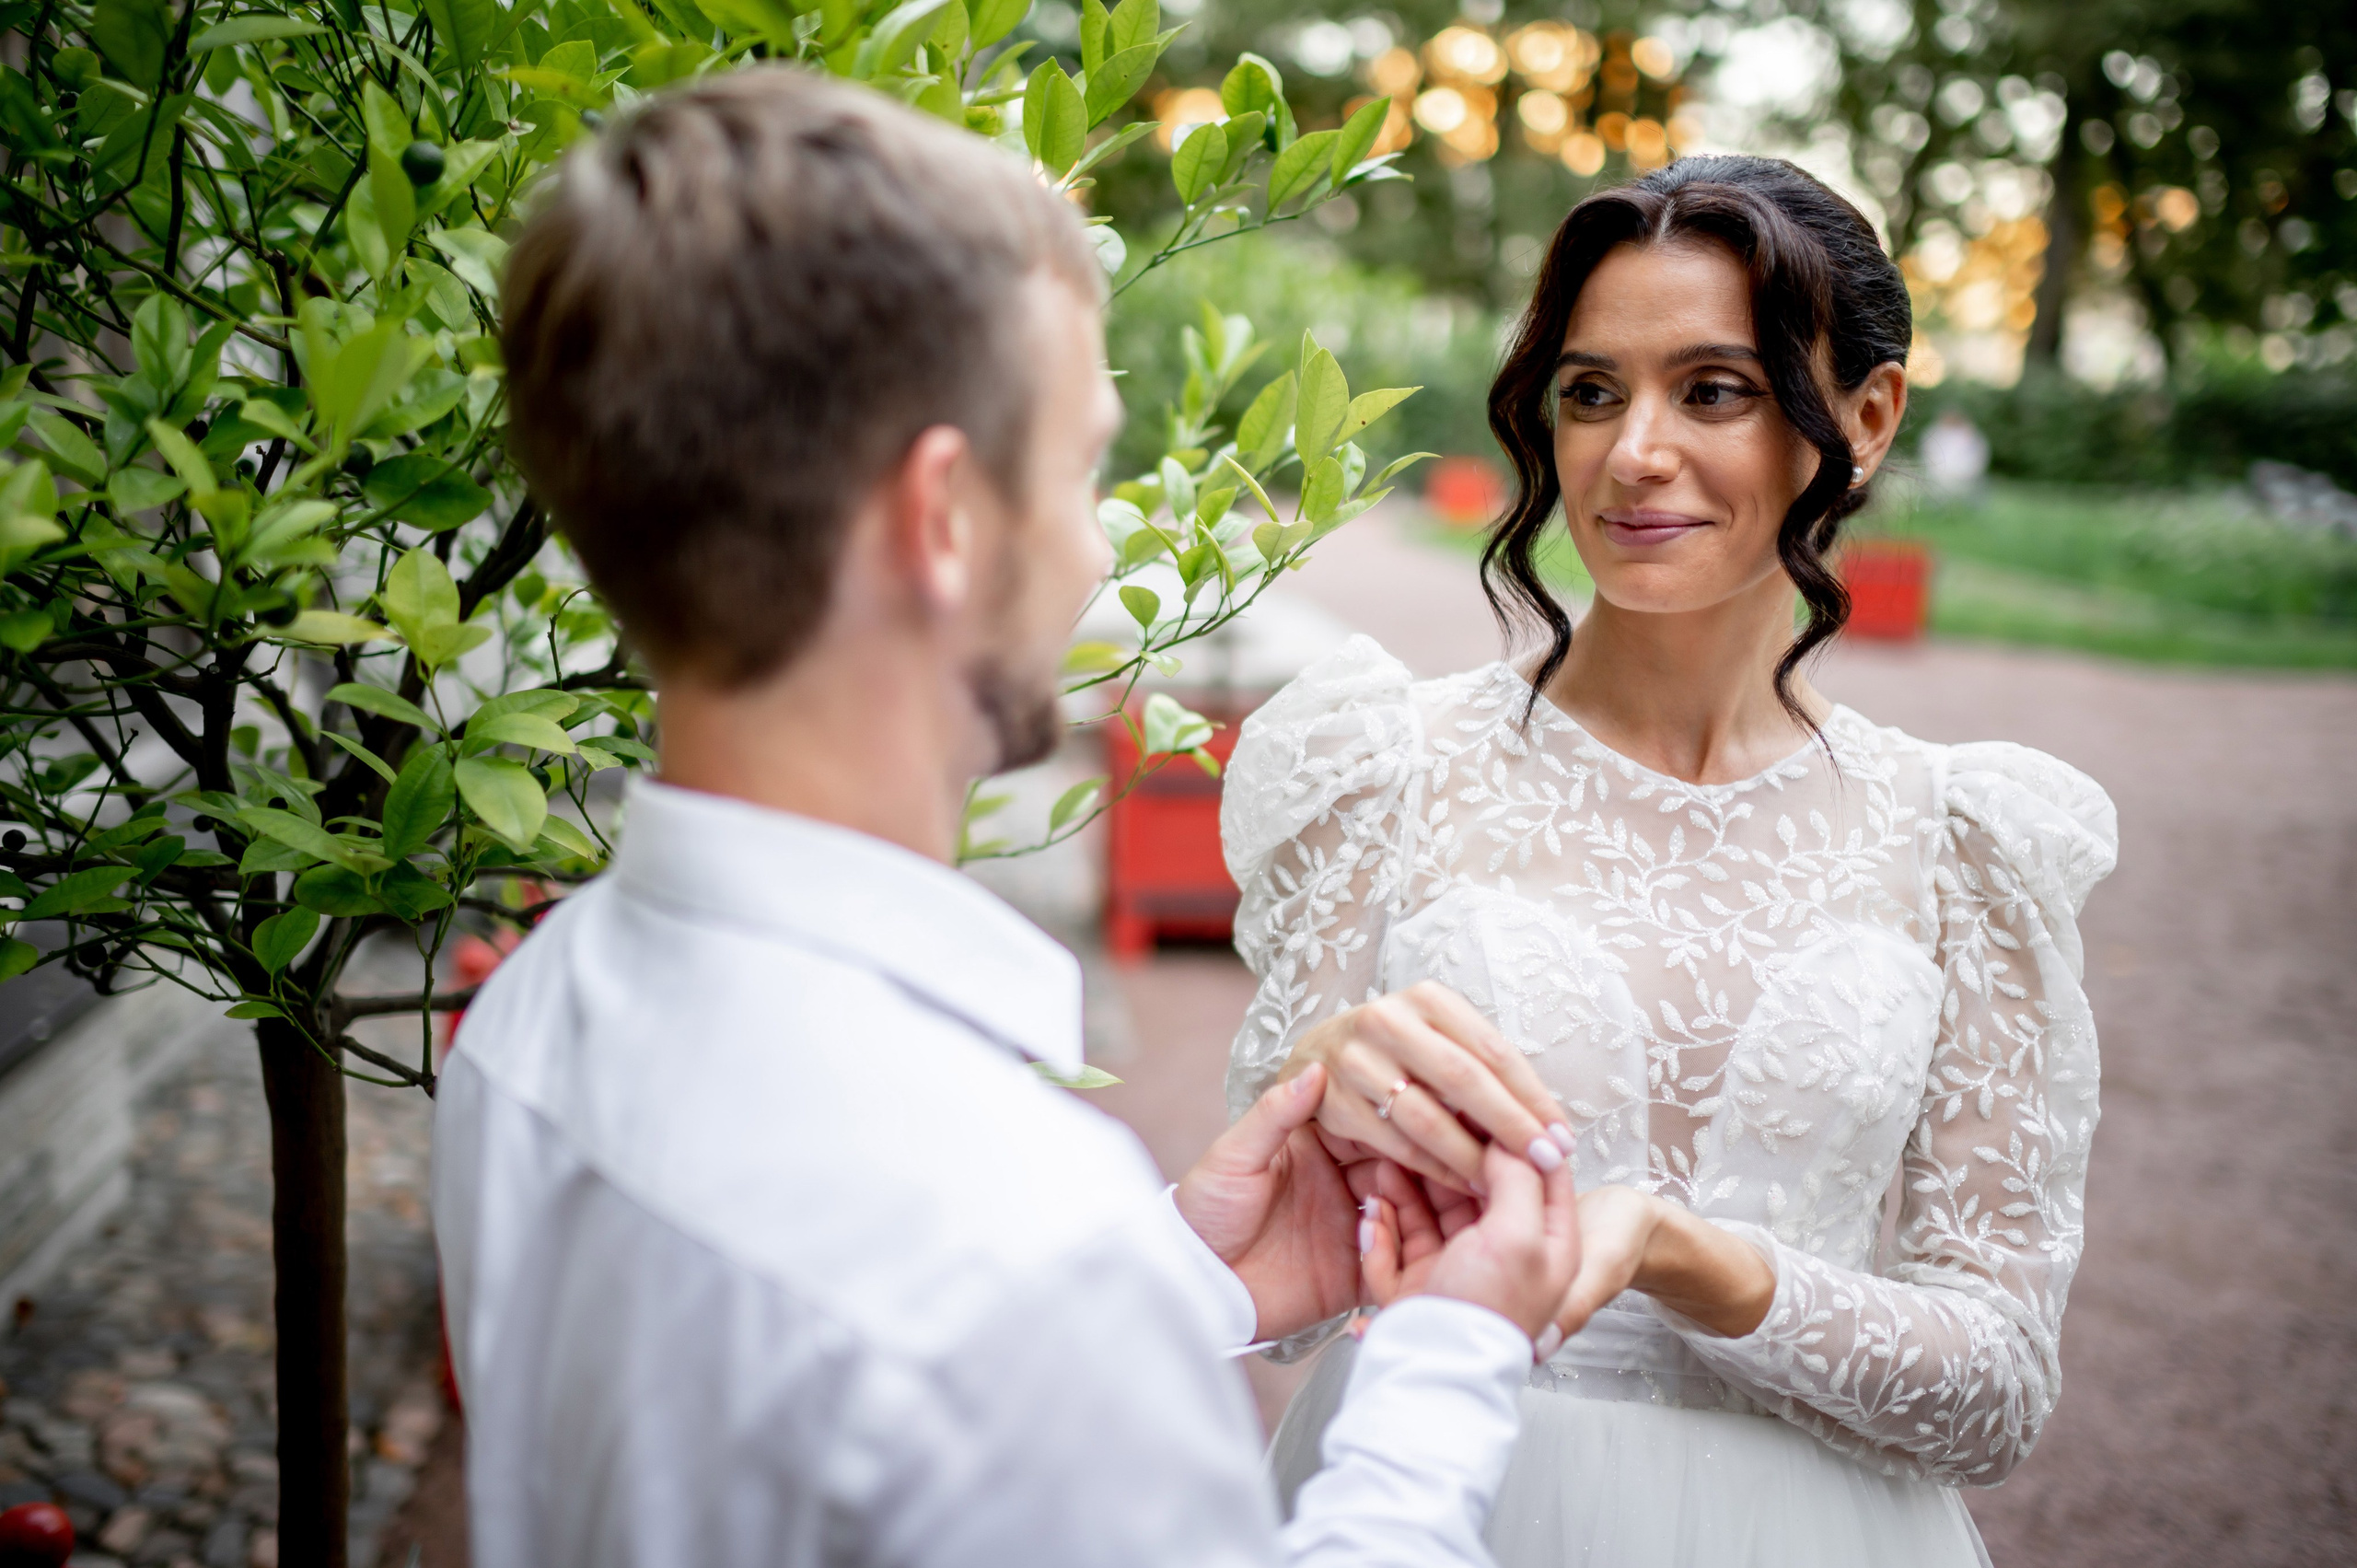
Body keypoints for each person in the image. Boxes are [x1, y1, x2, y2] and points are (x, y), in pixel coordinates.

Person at [431, 69, 1587, 1568]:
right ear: (946, 518)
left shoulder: (530, 1017)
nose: (1097, 548)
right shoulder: (1007, 1243)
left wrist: (1184, 1281)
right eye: (1082, 465)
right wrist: (1448, 1358)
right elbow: (961, 1318)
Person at [1223, 156, 2119, 1568]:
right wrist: (1322, 1124)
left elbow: (1996, 1392)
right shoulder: (1379, 769)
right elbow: (1284, 1304)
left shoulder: (1961, 840)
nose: (1633, 452)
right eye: (1591, 392)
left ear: (1867, 417)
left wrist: (1684, 1258)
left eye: (1714, 391)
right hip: (1435, 1498)